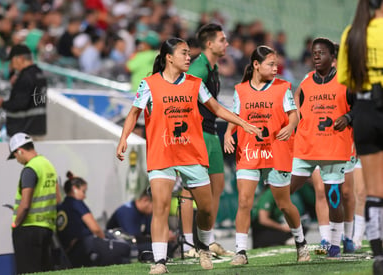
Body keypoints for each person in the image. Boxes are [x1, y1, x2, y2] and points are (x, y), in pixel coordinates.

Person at [116, 37, 262, 274]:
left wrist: (242, 123)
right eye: (184, 53)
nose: (188, 58)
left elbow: (216, 108)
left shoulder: (195, 83)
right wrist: (124, 138)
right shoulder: (149, 84)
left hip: (191, 153)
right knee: (160, 206)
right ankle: (160, 261)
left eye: (189, 54)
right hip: (162, 153)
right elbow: (134, 113)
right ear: (169, 57)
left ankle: (203, 245)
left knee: (205, 208)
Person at [224, 45, 310, 265]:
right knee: (244, 201)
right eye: (271, 64)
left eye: (276, 64)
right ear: (256, 64)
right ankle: (241, 252)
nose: (275, 68)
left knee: (283, 204)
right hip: (249, 149)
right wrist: (227, 134)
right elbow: (235, 117)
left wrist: (290, 127)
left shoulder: (283, 87)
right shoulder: (240, 90)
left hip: (276, 150)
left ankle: (300, 243)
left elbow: (294, 115)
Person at [290, 37, 354, 258]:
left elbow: (359, 107)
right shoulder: (306, 81)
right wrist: (295, 117)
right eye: (314, 53)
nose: (316, 57)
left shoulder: (346, 81)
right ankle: (299, 239)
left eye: (321, 53)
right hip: (306, 147)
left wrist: (348, 116)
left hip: (333, 148)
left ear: (332, 57)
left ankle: (334, 243)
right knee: (283, 191)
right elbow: (296, 99)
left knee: (333, 195)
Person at [178, 22, 234, 258]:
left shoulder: (213, 68)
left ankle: (207, 242)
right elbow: (182, 99)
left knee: (217, 187)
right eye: (222, 40)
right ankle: (188, 245)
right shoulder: (198, 69)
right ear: (209, 44)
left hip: (211, 133)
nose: (227, 43)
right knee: (190, 190)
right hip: (197, 134)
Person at [337, 0, 383, 272]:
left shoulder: (351, 33)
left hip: (364, 111)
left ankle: (379, 254)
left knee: (374, 191)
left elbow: (346, 79)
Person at [8, 132, 60, 274]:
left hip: (28, 228)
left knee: (27, 271)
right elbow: (58, 198)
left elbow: (25, 204)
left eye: (15, 155)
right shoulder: (48, 165)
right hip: (47, 228)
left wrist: (15, 223)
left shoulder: (30, 169)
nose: (16, 159)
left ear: (20, 150)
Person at [57, 171, 131, 267]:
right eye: (83, 191)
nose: (85, 196)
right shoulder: (76, 203)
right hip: (85, 245)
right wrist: (104, 240)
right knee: (125, 248)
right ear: (74, 189)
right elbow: (95, 228)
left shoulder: (61, 207)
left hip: (71, 253)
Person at [0, 44, 47, 139]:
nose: (11, 64)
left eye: (12, 60)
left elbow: (19, 103)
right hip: (38, 128)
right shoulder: (39, 73)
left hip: (24, 132)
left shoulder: (25, 77)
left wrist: (2, 104)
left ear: (20, 58)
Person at [106, 189, 161, 255]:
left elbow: (149, 232)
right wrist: (159, 238)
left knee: (164, 245)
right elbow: (133, 238)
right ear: (145, 200)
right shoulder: (127, 211)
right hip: (118, 244)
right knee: (155, 247)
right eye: (155, 206)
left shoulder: (145, 213)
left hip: (133, 243)